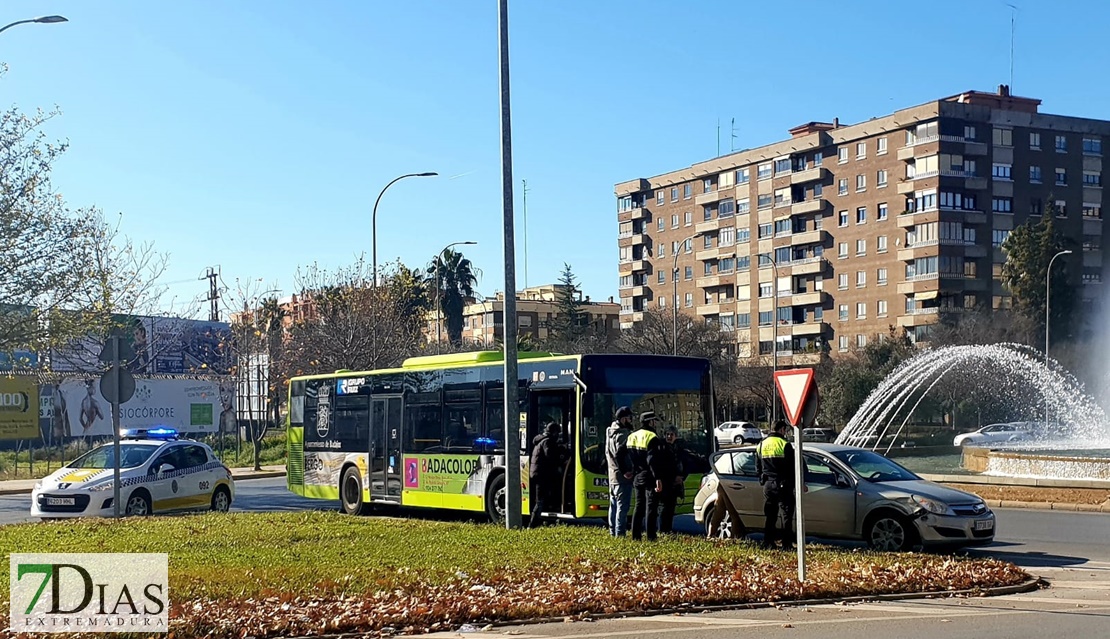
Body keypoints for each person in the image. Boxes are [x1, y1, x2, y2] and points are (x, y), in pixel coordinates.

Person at [756, 420, 796, 550]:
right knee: (786, 515)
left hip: (768, 484)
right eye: (785, 430)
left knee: (770, 515)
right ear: (782, 429)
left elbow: (758, 466)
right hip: (783, 484)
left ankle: (768, 542)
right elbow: (792, 468)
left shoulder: (761, 445)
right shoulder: (785, 444)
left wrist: (761, 479)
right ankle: (787, 544)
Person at [626, 411, 665, 541]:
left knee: (639, 506)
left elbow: (620, 454)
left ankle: (635, 536)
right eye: (654, 421)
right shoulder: (652, 437)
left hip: (637, 476)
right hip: (649, 476)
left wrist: (625, 470)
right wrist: (658, 478)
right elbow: (652, 460)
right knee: (651, 507)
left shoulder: (632, 436)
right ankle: (651, 537)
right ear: (650, 422)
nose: (656, 424)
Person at [529, 422, 568, 528]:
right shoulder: (547, 442)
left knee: (543, 498)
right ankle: (532, 524)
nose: (558, 436)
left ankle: (543, 521)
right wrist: (561, 454)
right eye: (557, 433)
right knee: (540, 500)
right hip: (542, 474)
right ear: (554, 432)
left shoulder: (541, 440)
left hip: (538, 473)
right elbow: (551, 456)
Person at [605, 406, 635, 537]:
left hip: (612, 474)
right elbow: (622, 455)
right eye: (629, 418)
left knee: (613, 505)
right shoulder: (623, 434)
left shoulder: (609, 431)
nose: (631, 420)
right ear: (623, 419)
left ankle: (612, 531)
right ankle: (620, 533)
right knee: (622, 507)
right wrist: (627, 471)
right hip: (622, 476)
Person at [657, 424, 686, 534]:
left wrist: (681, 477)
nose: (669, 437)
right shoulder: (662, 448)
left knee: (670, 509)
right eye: (667, 434)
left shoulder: (677, 448)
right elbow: (663, 467)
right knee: (663, 509)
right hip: (665, 483)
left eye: (671, 434)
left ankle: (668, 530)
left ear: (676, 436)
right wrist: (673, 477)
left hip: (674, 484)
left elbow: (681, 463)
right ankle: (662, 531)